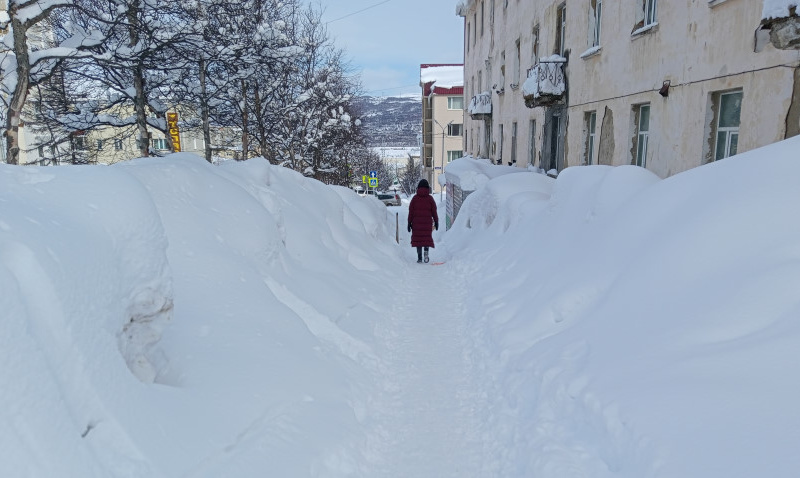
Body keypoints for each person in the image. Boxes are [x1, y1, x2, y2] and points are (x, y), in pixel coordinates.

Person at [407, 179, 439, 263]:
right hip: (427, 223)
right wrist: (436, 221)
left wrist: (409, 223)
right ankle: (426, 253)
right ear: (427, 188)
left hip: (416, 224)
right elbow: (434, 211)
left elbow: (411, 212)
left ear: (418, 188)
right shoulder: (430, 199)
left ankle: (419, 257)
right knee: (426, 239)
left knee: (418, 240)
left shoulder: (414, 199)